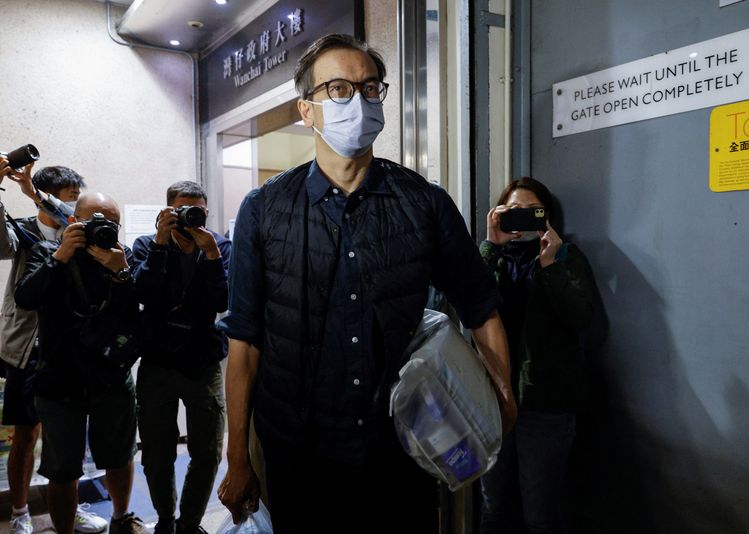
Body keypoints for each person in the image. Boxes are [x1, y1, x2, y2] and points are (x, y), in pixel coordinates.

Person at [216, 33, 517, 534]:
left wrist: (501, 399)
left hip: (403, 446)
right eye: (337, 89)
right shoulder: (263, 210)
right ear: (306, 110)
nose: (357, 100)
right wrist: (237, 456)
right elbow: (244, 341)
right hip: (299, 455)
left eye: (370, 87)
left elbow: (480, 307)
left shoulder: (423, 202)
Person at [14, 193, 148, 534]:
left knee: (120, 455)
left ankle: (121, 517)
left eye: (111, 223)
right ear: (74, 221)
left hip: (111, 375)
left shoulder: (122, 257)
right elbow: (25, 298)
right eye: (94, 221)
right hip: (60, 377)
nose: (103, 228)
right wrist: (60, 257)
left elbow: (136, 316)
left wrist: (121, 273)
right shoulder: (47, 253)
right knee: (62, 468)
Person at [478, 177, 595, 534]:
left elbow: (580, 316)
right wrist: (490, 245)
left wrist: (551, 265)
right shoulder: (491, 259)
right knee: (494, 507)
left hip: (545, 403)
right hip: (493, 399)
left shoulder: (565, 257)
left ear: (547, 217)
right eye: (512, 211)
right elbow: (464, 305)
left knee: (540, 515)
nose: (522, 219)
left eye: (533, 212)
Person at [0, 162, 107, 534]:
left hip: (67, 351)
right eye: (71, 196)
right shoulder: (21, 230)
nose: (76, 205)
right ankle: (19, 511)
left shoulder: (77, 229)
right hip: (27, 348)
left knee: (66, 441)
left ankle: (68, 506)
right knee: (25, 436)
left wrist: (34, 191)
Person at [130, 181, 230, 534]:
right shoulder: (146, 245)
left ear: (205, 212)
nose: (190, 219)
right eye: (182, 210)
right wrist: (160, 244)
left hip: (202, 362)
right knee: (157, 453)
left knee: (208, 450)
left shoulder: (219, 246)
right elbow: (142, 292)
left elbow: (222, 301)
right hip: (157, 361)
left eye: (197, 211)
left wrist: (213, 256)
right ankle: (165, 520)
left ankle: (189, 523)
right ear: (167, 211)